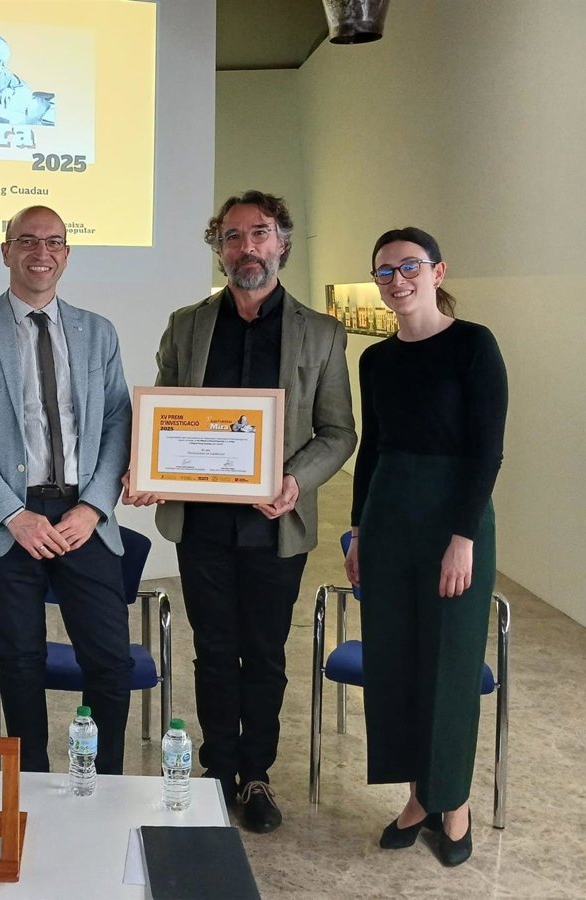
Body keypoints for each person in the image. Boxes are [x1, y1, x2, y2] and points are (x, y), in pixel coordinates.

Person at [126, 190, 356, 831]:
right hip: (200, 523)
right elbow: (164, 417)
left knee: (265, 653)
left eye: (259, 233)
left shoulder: (321, 332)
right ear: (219, 249)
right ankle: (217, 769)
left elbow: (339, 432)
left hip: (275, 524)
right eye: (231, 236)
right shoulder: (187, 325)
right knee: (212, 650)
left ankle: (256, 774)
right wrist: (147, 467)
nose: (246, 246)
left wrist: (294, 480)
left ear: (282, 242)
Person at [0, 205, 134, 774]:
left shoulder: (98, 331)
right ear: (6, 251)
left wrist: (95, 506)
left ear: (67, 254)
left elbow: (119, 421)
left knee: (110, 661)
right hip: (10, 521)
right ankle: (31, 786)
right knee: (21, 661)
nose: (40, 252)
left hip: (83, 514)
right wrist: (13, 514)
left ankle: (101, 781)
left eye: (53, 242)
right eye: (27, 241)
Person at [345, 227, 507, 867]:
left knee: (450, 665)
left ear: (438, 272)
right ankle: (418, 797)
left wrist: (463, 538)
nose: (397, 281)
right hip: (388, 516)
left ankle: (453, 801)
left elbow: (487, 451)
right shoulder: (376, 360)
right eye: (385, 271)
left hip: (454, 520)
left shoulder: (474, 345)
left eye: (409, 267)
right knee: (396, 661)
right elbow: (372, 449)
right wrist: (358, 530)